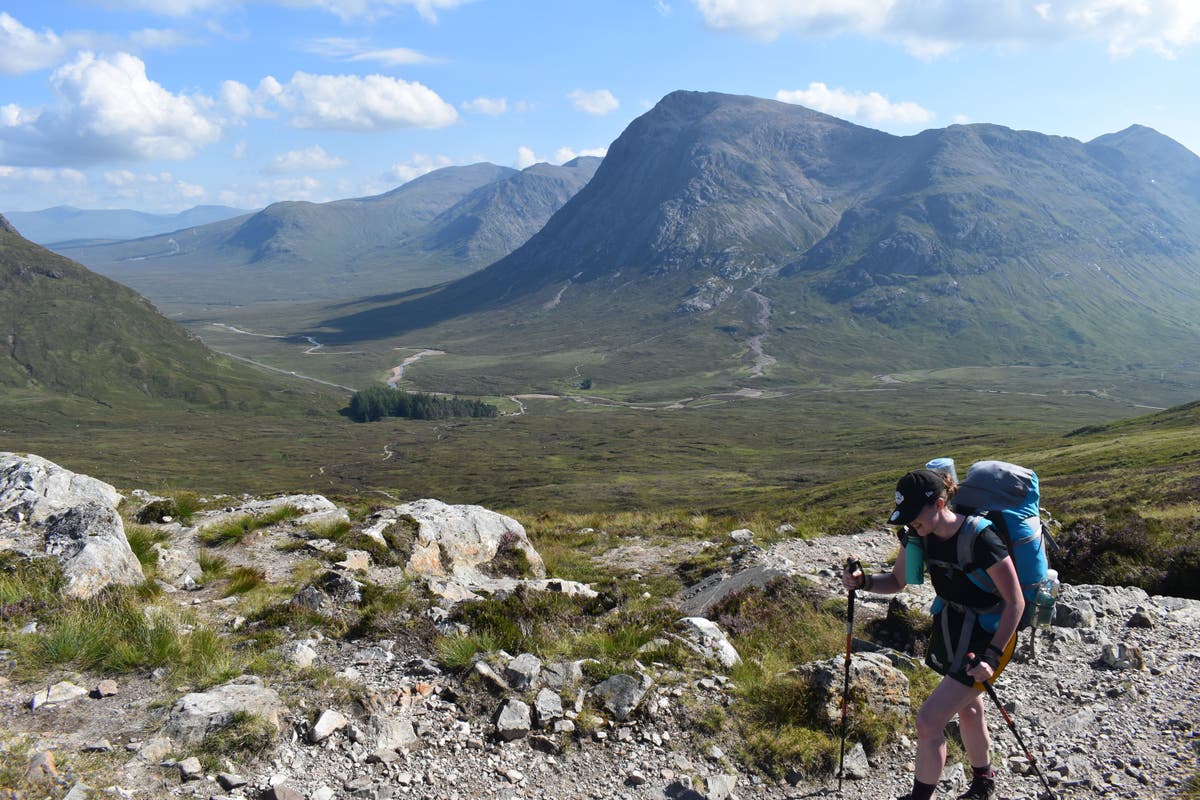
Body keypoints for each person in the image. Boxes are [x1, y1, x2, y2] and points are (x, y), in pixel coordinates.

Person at [842, 468, 1025, 800]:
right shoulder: (918, 537)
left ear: (940, 504)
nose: (911, 524)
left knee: (929, 721)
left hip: (992, 635)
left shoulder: (982, 539)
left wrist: (992, 656)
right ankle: (984, 782)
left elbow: (1016, 601)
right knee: (969, 707)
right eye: (906, 518)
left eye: (915, 516)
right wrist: (864, 582)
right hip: (955, 628)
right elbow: (898, 582)